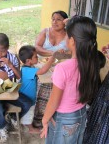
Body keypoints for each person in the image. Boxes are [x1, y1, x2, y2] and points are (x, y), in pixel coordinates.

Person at [40, 16, 100, 144]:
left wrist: (45, 119)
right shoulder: (92, 61)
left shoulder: (62, 68)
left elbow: (54, 101)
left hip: (64, 118)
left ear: (72, 41)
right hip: (81, 113)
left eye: (67, 34)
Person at [33, 10, 69, 128]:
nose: (54, 22)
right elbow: (37, 47)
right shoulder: (45, 32)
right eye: (53, 19)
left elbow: (72, 52)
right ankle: (38, 116)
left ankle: (52, 115)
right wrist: (53, 53)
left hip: (59, 67)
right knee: (41, 85)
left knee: (56, 88)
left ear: (64, 22)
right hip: (42, 65)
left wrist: (64, 53)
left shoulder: (68, 35)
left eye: (58, 19)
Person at [18, 45, 57, 133]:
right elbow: (42, 71)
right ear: (29, 61)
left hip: (30, 96)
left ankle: (27, 124)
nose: (37, 58)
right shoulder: (26, 70)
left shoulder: (29, 67)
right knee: (28, 113)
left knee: (30, 112)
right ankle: (30, 129)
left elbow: (41, 69)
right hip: (27, 97)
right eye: (35, 56)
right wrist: (51, 60)